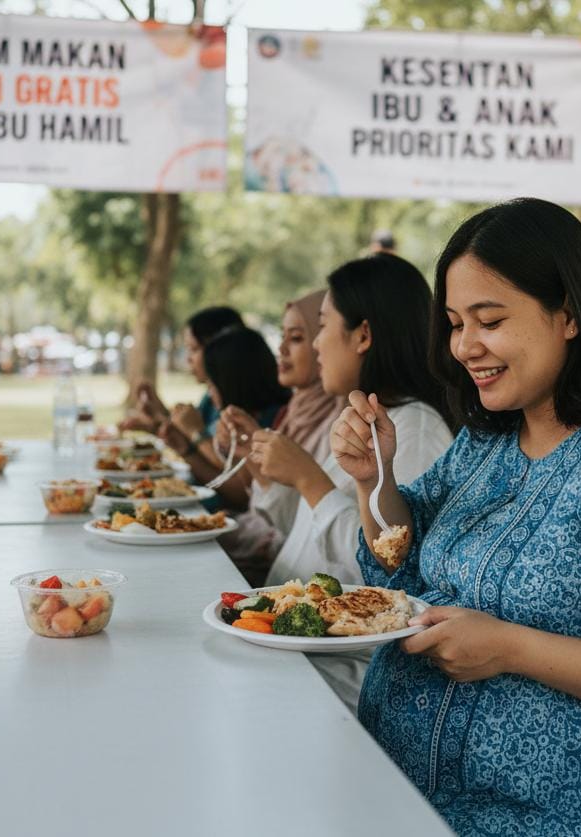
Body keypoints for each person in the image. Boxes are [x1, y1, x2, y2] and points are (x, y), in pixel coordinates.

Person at [332, 198, 581, 834]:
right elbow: (401, 564)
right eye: (454, 322)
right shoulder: (484, 441)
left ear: (569, 315)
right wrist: (373, 479)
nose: (466, 346)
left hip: (567, 821)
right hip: (406, 799)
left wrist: (510, 648)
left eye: (489, 320)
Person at [231, 254, 455, 710]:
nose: (315, 346)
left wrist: (310, 480)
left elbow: (386, 570)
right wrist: (264, 471)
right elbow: (302, 526)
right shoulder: (359, 421)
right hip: (295, 644)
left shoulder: (414, 429)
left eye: (323, 326)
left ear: (364, 335)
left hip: (343, 669)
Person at [216, 291, 343, 583]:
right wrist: (248, 448)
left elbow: (303, 522)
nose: (281, 349)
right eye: (282, 336)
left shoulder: (344, 421)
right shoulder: (293, 412)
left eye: (297, 337)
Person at [159, 326, 289, 510]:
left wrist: (196, 434)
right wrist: (186, 449)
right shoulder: (239, 415)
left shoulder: (269, 422)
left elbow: (241, 492)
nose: (209, 392)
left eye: (212, 383)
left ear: (231, 380)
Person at [121, 306, 244, 435]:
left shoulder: (243, 405)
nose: (188, 359)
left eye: (194, 349)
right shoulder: (210, 398)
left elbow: (206, 445)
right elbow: (194, 442)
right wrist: (159, 418)